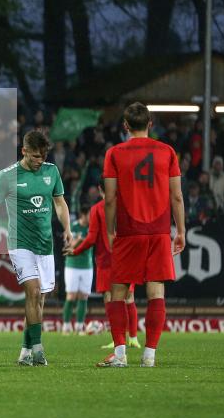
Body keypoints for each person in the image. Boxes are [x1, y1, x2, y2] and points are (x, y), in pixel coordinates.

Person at [0, 129, 73, 366]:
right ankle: (38, 349)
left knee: (39, 301)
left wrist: (67, 229)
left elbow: (60, 203)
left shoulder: (51, 172)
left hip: (45, 244)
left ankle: (25, 351)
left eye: (43, 156)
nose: (41, 161)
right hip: (20, 244)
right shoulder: (7, 176)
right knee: (34, 292)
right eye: (36, 156)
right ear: (24, 151)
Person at [102, 102, 185, 368]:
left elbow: (111, 198)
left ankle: (120, 354)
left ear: (125, 126)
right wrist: (180, 230)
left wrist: (110, 230)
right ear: (150, 124)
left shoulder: (114, 153)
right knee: (156, 292)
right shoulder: (167, 152)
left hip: (129, 230)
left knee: (118, 292)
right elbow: (177, 196)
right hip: (159, 231)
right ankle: (149, 355)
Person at [63, 185, 141, 357]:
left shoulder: (97, 209)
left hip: (106, 260)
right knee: (129, 297)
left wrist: (75, 251)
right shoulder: (127, 205)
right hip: (127, 257)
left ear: (99, 189)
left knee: (110, 299)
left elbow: (91, 238)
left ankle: (117, 338)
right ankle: (133, 337)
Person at [61, 206, 92, 335]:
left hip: (87, 266)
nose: (91, 217)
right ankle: (66, 326)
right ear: (83, 215)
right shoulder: (72, 227)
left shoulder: (92, 228)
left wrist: (81, 240)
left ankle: (79, 327)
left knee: (84, 295)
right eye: (90, 214)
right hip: (72, 266)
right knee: (71, 295)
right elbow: (67, 247)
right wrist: (79, 240)